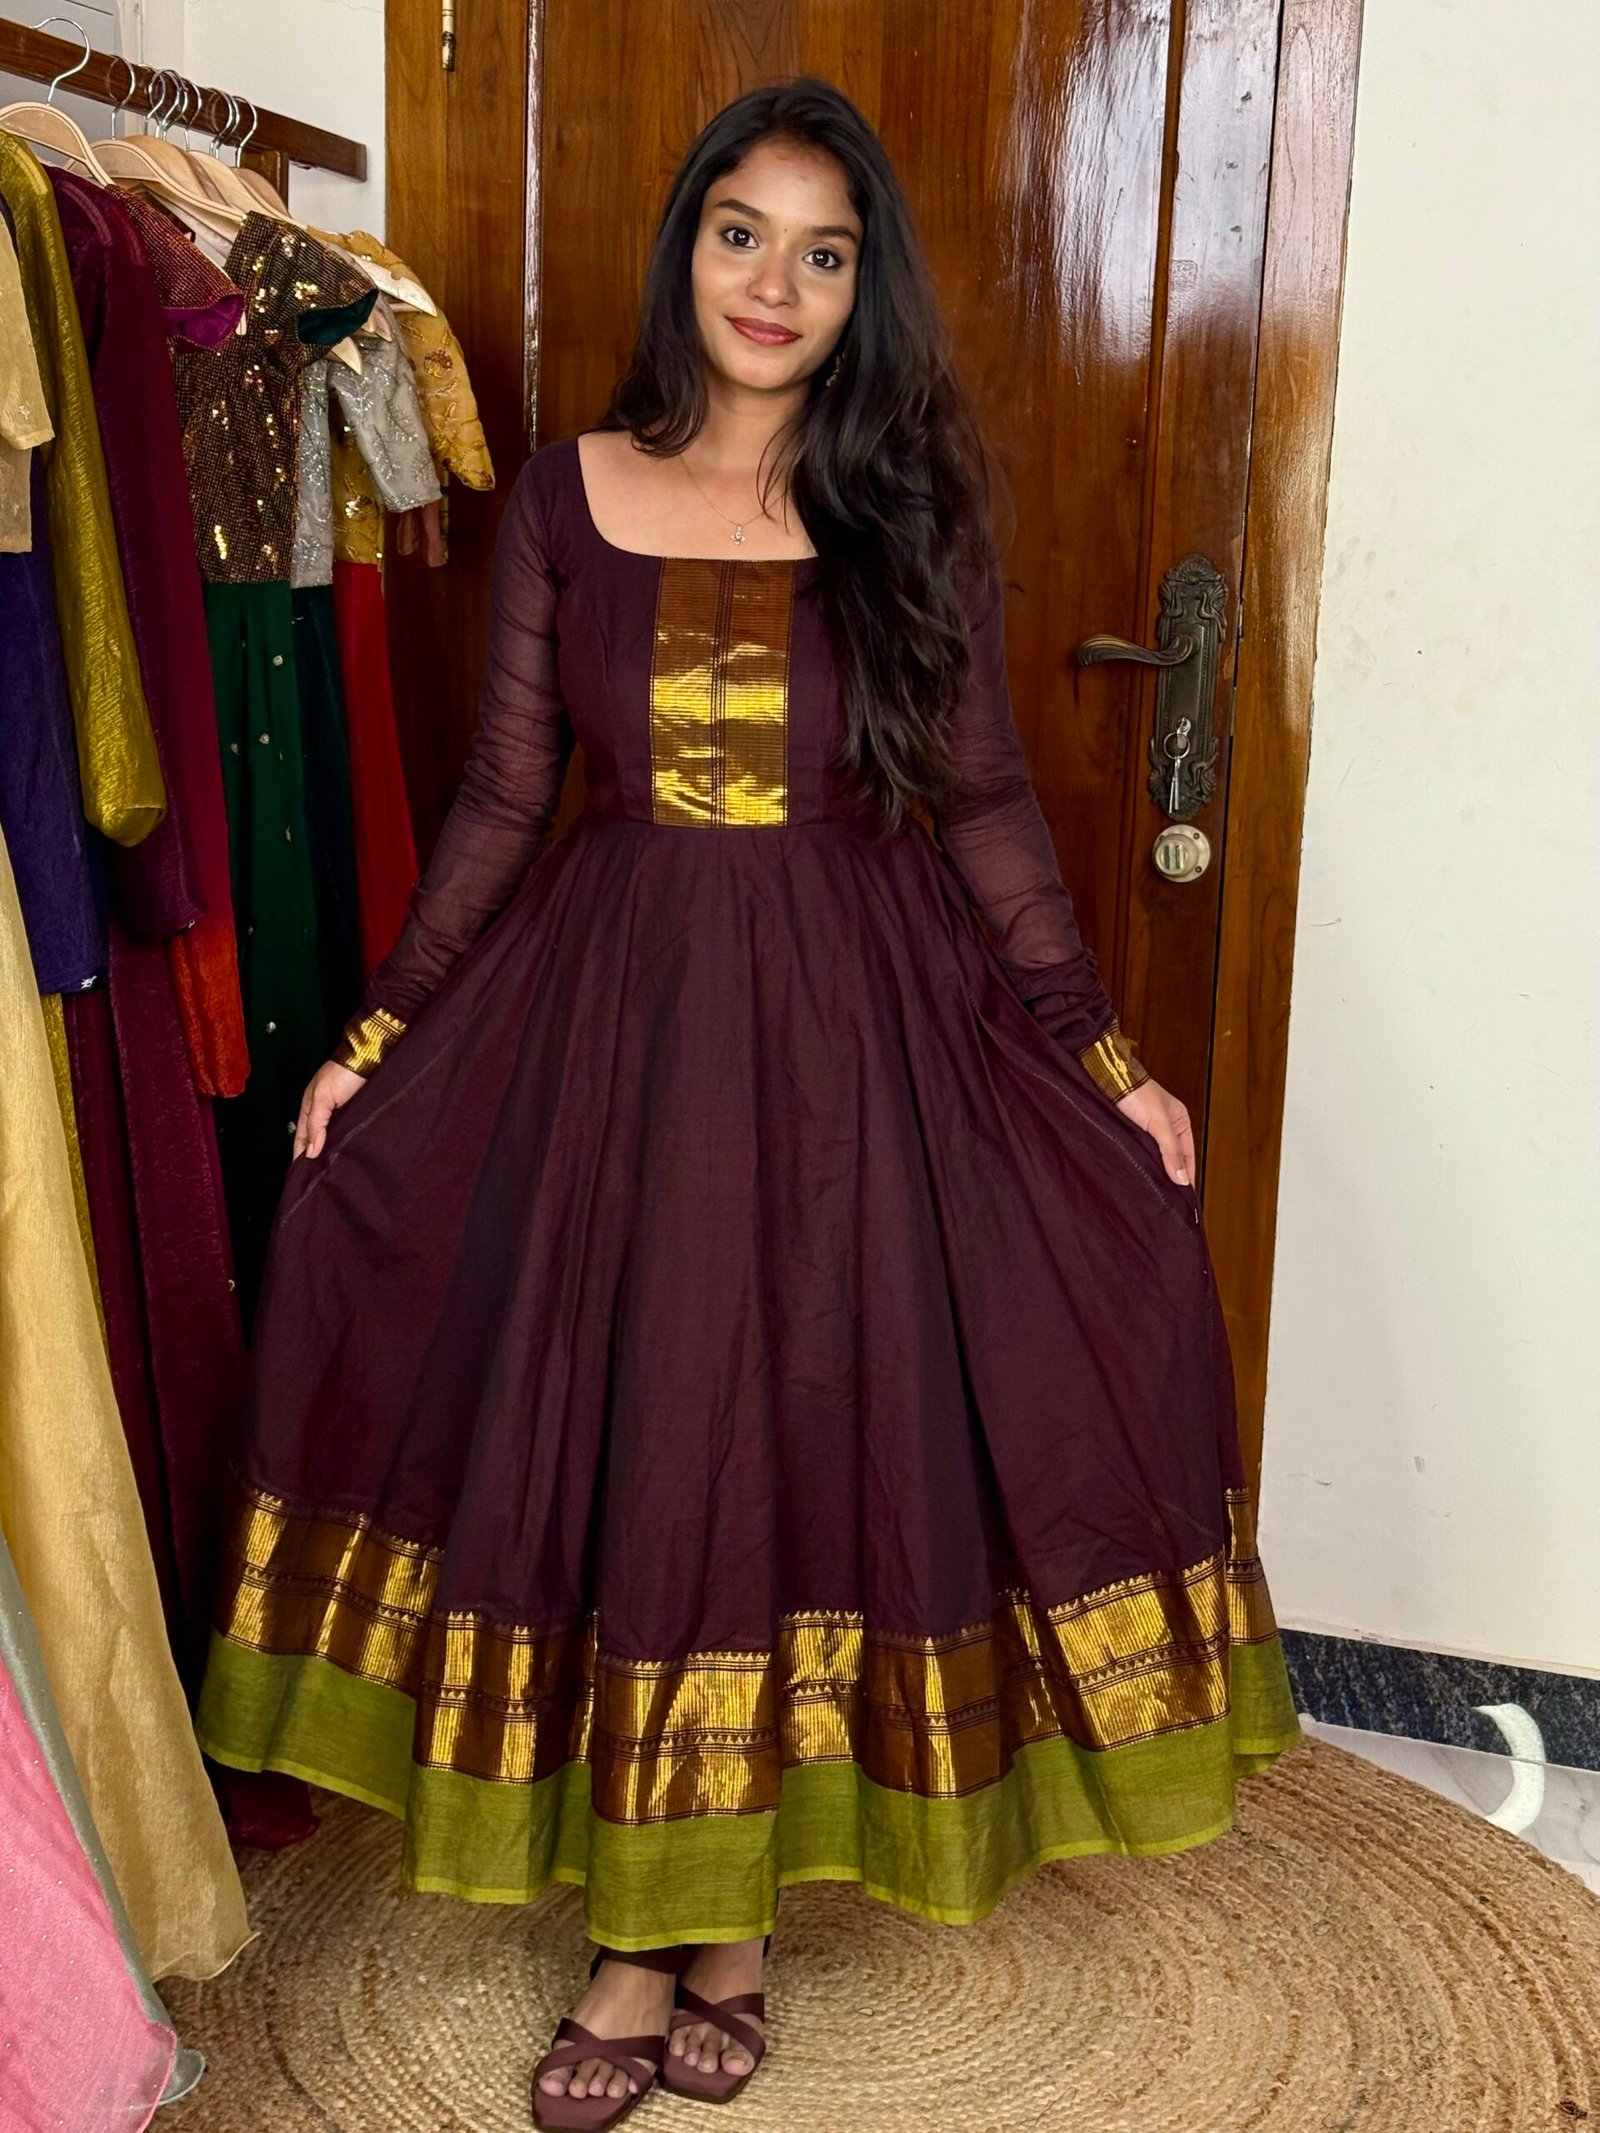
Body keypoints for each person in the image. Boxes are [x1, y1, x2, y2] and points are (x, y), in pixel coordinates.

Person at [195, 75, 1302, 2132]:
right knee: (647, 1435)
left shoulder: (907, 514)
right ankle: (644, 1935)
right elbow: (506, 797)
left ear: (861, 290)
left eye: (823, 251)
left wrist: (1103, 1059)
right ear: (683, 251)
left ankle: (734, 1928)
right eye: (739, 234)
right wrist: (380, 1036)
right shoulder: (565, 495)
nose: (773, 283)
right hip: (611, 1037)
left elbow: (984, 804)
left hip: (859, 1040)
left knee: (804, 1433)